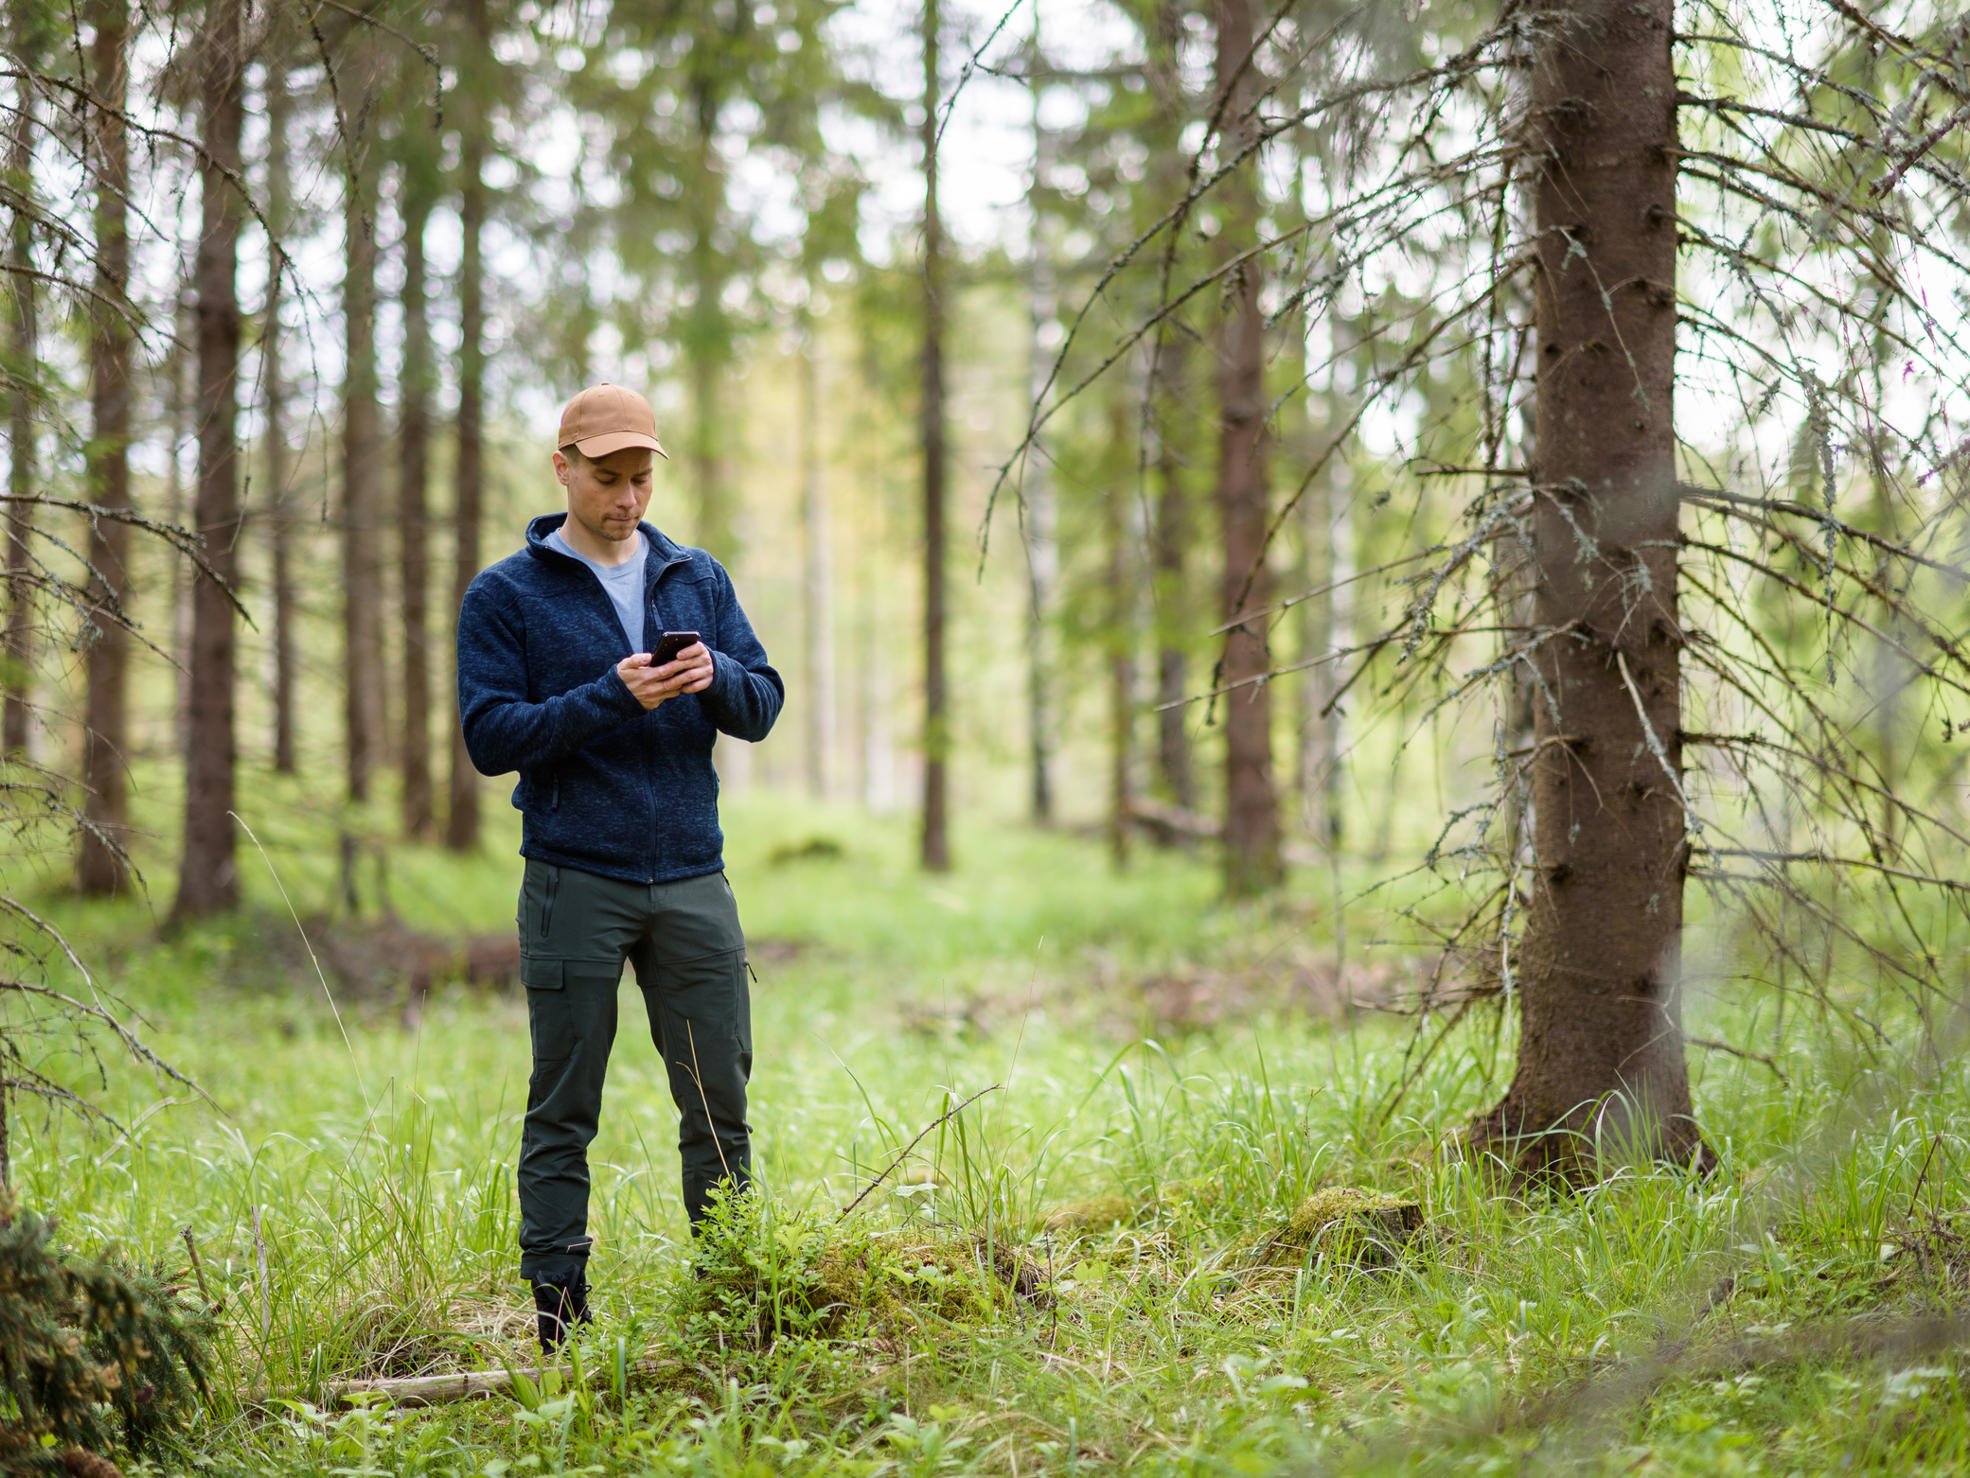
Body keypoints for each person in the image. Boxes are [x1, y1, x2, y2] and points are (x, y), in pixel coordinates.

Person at [455, 382, 784, 1353]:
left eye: (641, 478)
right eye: (607, 478)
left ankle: (730, 1303)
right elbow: (488, 736)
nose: (627, 497)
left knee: (718, 1101)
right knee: (564, 1104)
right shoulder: (505, 593)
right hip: (573, 878)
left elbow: (761, 701)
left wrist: (713, 676)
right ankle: (560, 1324)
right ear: (562, 466)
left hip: (691, 874)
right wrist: (607, 697)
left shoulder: (695, 576)